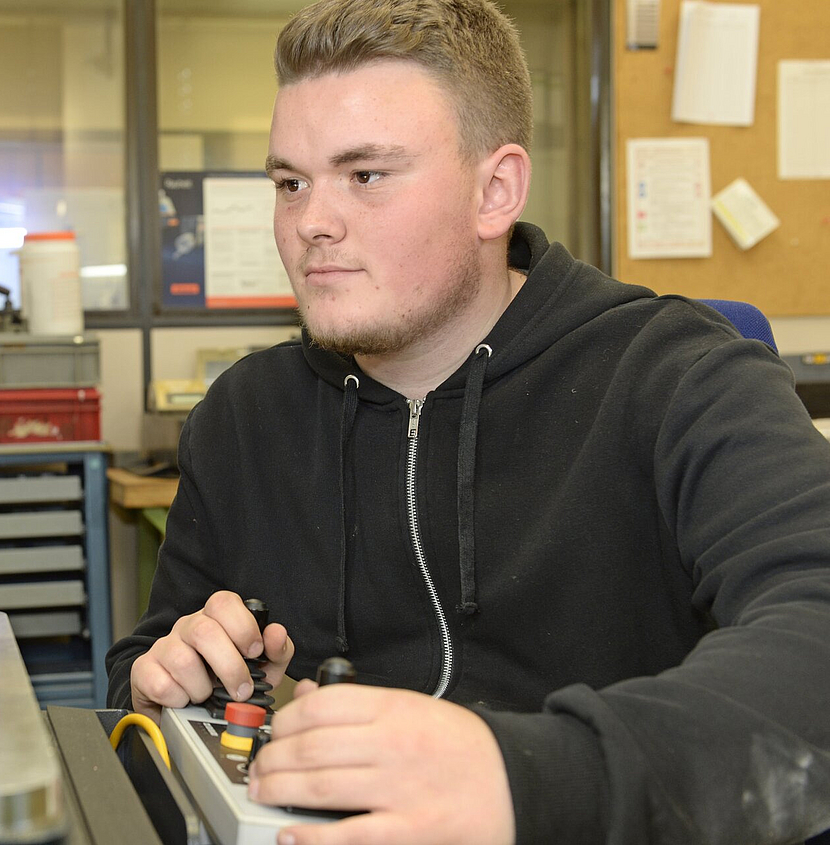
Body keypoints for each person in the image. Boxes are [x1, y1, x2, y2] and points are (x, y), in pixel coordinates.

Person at [105, 0, 830, 842]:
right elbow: (144, 663)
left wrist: (531, 779)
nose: (311, 221)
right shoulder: (242, 416)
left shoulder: (676, 376)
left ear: (495, 191)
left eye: (365, 175)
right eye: (290, 181)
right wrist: (171, 678)